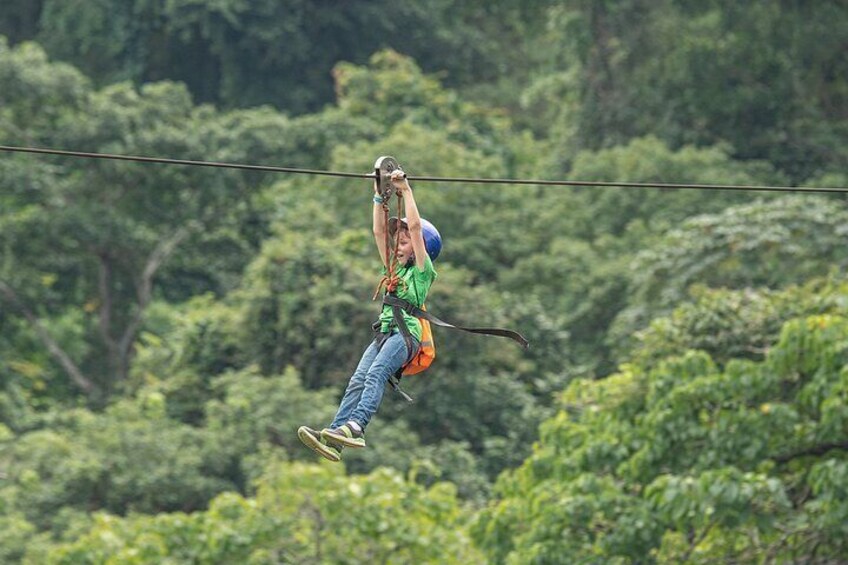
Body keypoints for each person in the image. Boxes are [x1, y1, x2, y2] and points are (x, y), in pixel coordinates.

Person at [298, 169, 440, 461]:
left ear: (419, 248)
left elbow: (414, 227)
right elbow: (378, 231)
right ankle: (336, 435)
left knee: (376, 374)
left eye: (403, 241)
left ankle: (357, 426)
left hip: (405, 334)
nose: (397, 244)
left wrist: (406, 191)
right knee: (358, 378)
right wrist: (378, 194)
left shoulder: (423, 272)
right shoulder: (393, 269)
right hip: (384, 332)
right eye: (397, 241)